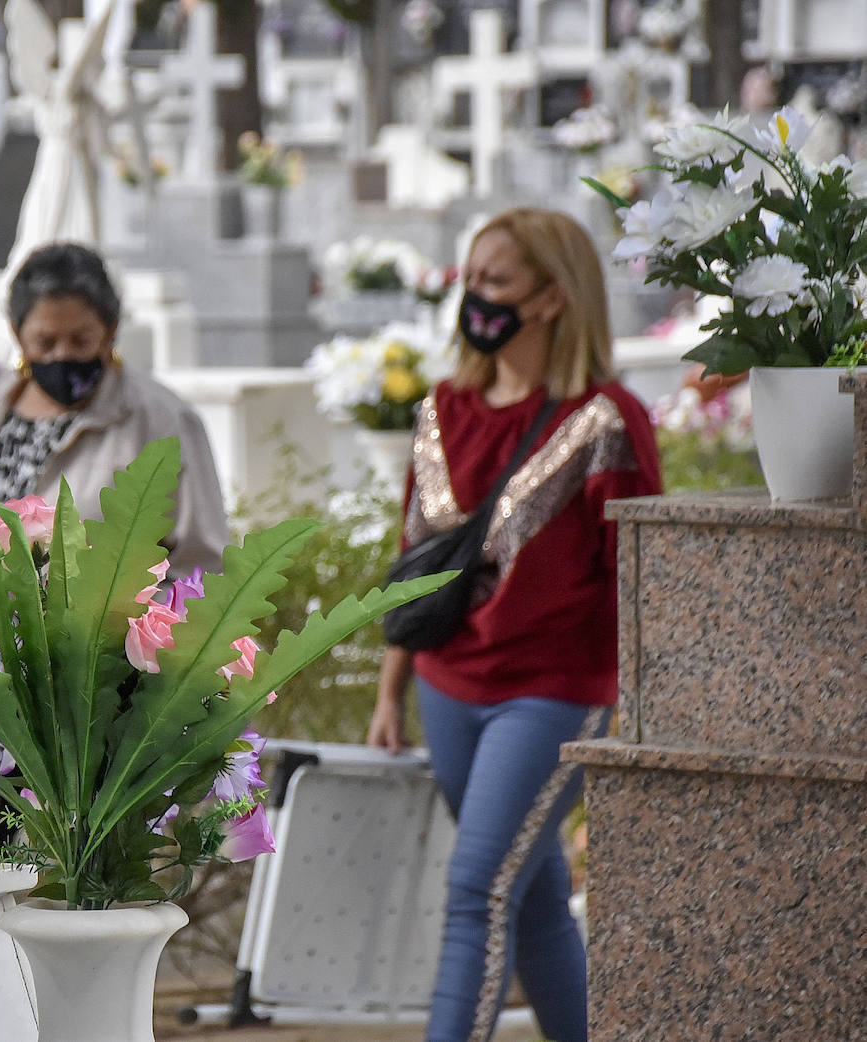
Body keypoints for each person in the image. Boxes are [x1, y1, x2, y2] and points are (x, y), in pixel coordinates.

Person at [366, 208, 662, 1042]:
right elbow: (412, 562)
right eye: (469, 279)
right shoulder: (443, 409)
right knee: (528, 899)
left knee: (476, 891)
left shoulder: (609, 419)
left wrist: (637, 710)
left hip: (556, 693)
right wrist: (390, 691)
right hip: (447, 687)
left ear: (553, 297)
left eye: (494, 281)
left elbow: (638, 581)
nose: (475, 298)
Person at [0, 241, 228, 765]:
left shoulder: (160, 421)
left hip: (84, 719)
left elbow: (202, 570)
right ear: (16, 336)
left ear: (112, 331)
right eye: (44, 342)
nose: (61, 357)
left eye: (81, 339)